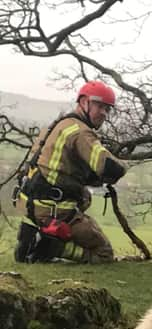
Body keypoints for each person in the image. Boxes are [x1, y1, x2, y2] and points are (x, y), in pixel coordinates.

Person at [13, 80, 127, 264]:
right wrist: (124, 165)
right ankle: (47, 247)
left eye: (108, 109)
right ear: (84, 102)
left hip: (31, 204)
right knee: (104, 253)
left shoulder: (58, 125)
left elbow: (61, 168)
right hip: (55, 211)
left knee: (84, 200)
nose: (104, 114)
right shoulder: (81, 133)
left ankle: (37, 238)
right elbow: (109, 167)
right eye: (100, 106)